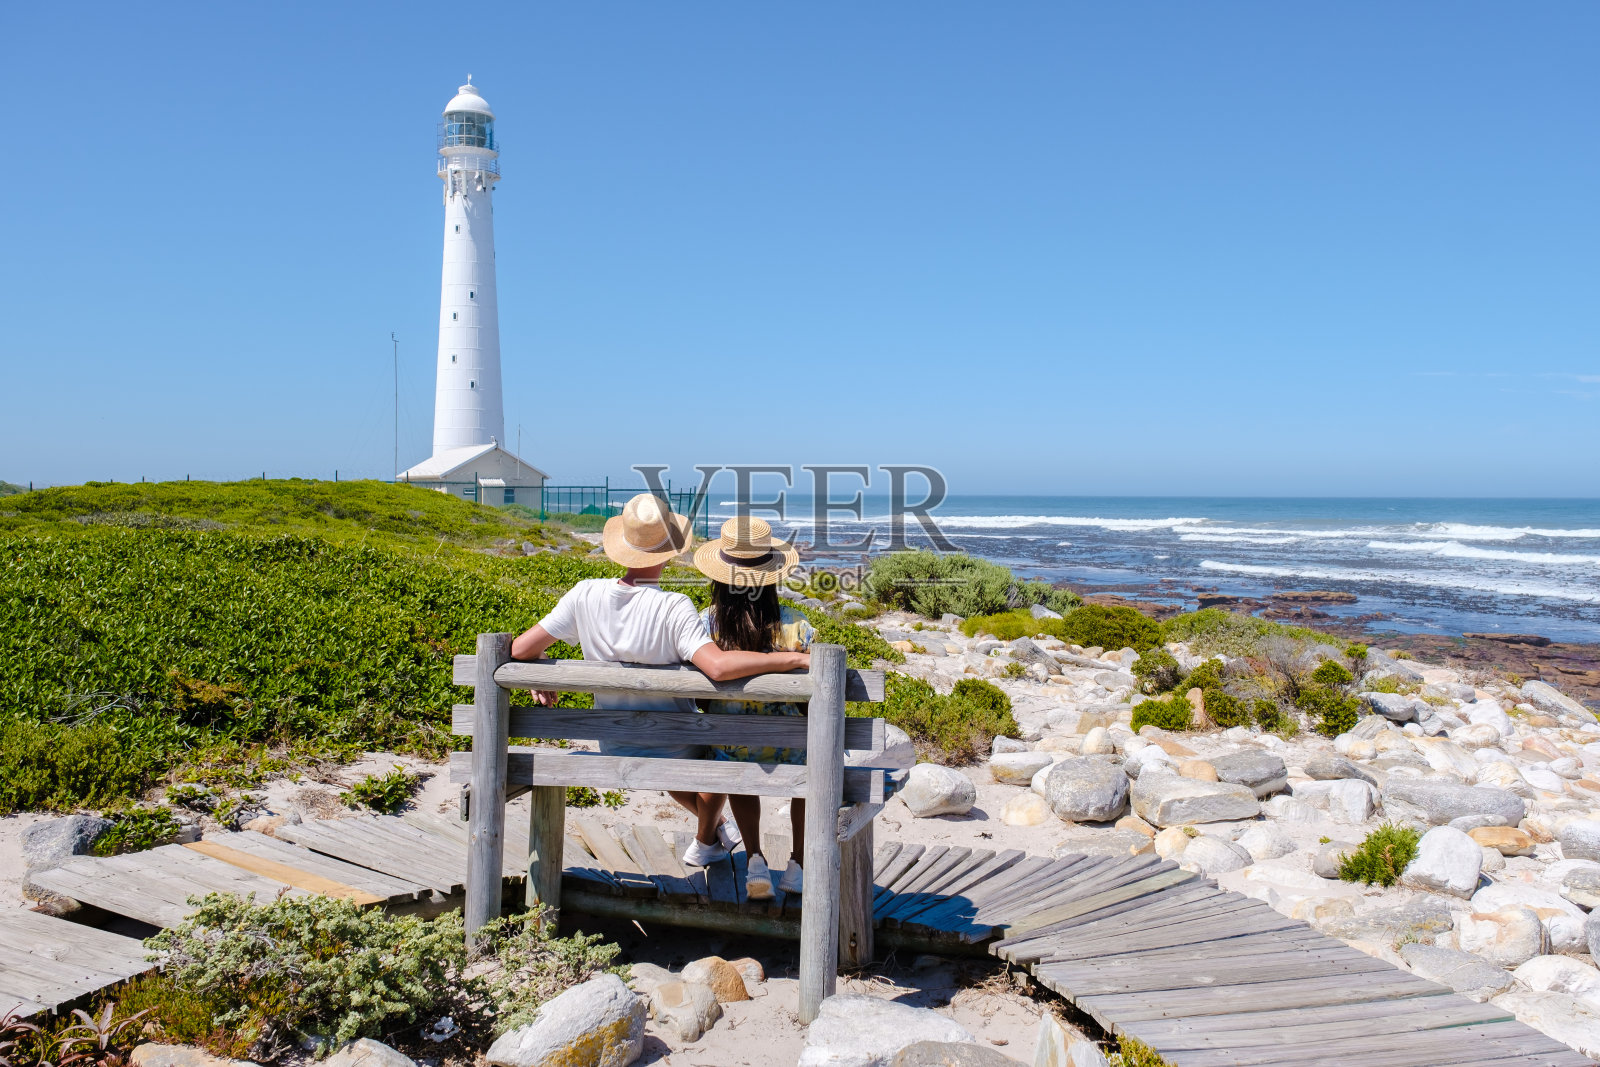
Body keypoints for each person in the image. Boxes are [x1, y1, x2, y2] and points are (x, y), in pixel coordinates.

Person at [509, 494, 809, 867]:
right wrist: (794, 658)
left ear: (621, 547)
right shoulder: (673, 607)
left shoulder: (583, 594)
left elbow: (519, 648)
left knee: (714, 747)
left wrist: (539, 665)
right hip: (676, 744)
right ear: (668, 554)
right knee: (717, 748)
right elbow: (717, 667)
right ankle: (709, 835)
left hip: (614, 743)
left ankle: (715, 835)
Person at [692, 516, 811, 901]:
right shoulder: (797, 626)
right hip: (791, 748)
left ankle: (756, 859)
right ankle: (798, 864)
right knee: (813, 759)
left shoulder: (706, 625)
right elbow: (810, 702)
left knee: (732, 756)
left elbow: (700, 698)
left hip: (730, 746)